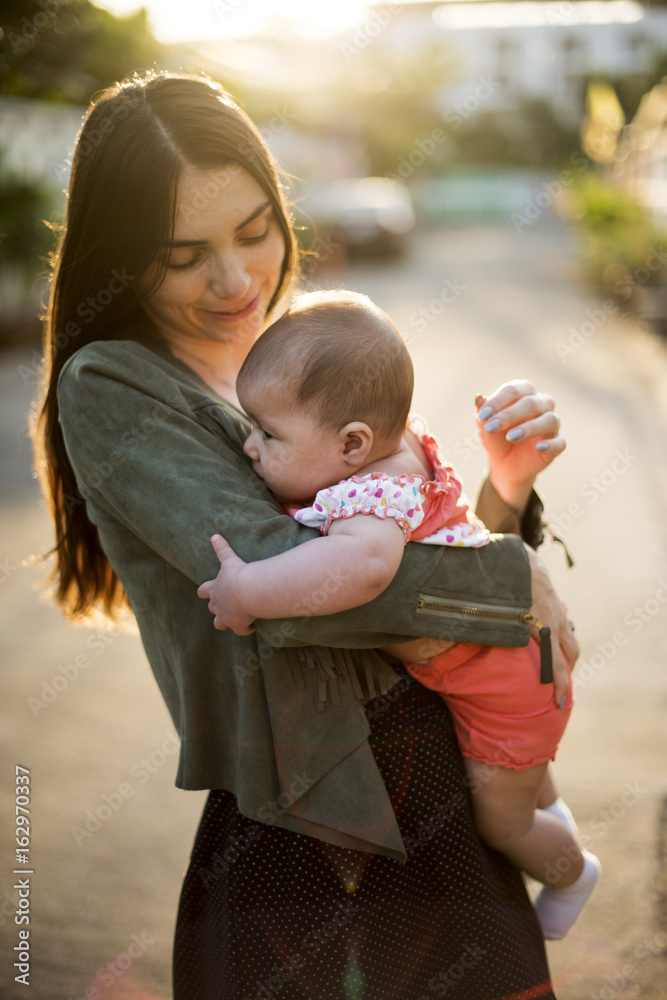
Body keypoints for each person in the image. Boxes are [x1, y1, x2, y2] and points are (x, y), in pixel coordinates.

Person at [34, 70, 578, 1000]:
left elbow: (413, 539)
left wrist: (505, 491)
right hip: (309, 827)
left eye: (254, 231)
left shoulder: (298, 348)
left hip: (442, 792)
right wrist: (507, 581)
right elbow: (282, 590)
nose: (235, 279)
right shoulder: (113, 385)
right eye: (181, 254)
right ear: (121, 257)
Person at [197, 288, 599, 942]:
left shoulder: (367, 499)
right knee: (527, 773)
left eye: (268, 434)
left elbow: (361, 571)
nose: (249, 446)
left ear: (352, 444)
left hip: (501, 684)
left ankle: (570, 871)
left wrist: (248, 592)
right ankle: (551, 813)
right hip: (505, 662)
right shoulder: (394, 445)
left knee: (504, 820)